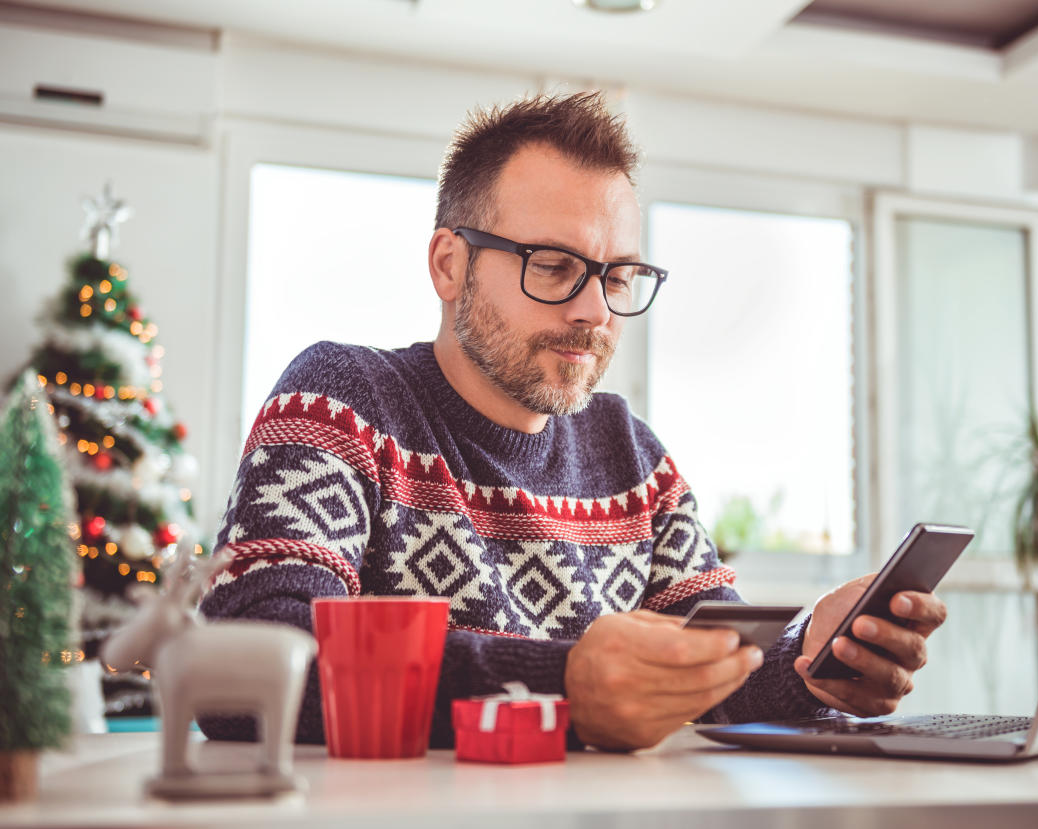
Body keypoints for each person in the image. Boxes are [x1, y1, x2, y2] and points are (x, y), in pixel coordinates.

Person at [199, 91, 946, 751]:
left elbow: (714, 667)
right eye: (553, 266)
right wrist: (561, 688)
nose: (593, 311)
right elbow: (244, 663)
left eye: (617, 275)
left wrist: (811, 659)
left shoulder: (633, 456)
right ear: (448, 265)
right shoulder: (340, 399)